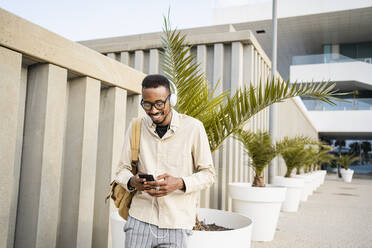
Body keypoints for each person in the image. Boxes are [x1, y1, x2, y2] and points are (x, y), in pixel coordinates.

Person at [115, 74, 216, 248]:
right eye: (147, 104)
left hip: (177, 224)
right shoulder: (136, 127)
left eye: (159, 104)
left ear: (172, 99)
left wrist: (179, 183)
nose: (153, 110)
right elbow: (121, 170)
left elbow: (208, 174)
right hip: (140, 220)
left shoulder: (194, 128)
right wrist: (133, 182)